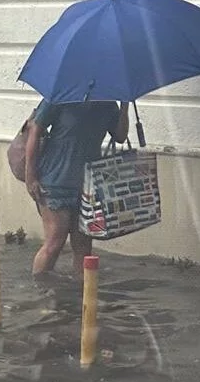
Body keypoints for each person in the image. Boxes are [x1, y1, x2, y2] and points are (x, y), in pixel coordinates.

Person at [24, 99, 129, 278]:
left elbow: (119, 136)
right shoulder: (60, 96)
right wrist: (30, 175)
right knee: (55, 242)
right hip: (55, 181)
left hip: (87, 183)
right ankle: (40, 294)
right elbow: (35, 130)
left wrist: (125, 106)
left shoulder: (107, 103)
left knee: (83, 246)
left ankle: (82, 296)